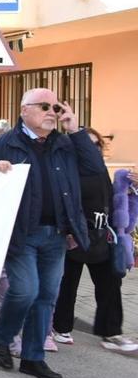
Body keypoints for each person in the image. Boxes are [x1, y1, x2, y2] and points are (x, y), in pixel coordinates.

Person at [0, 89, 106, 378]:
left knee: (46, 296)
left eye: (56, 108)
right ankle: (1, 335)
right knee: (26, 290)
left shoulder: (65, 143)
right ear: (24, 110)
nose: (52, 112)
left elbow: (95, 168)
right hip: (21, 233)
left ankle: (33, 358)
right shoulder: (3, 144)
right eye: (44, 106)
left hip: (57, 233)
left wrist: (75, 129)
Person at [52, 129, 136, 353]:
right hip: (74, 235)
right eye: (88, 144)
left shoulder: (100, 171)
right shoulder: (67, 171)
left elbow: (113, 200)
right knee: (67, 284)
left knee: (110, 284)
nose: (93, 148)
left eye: (97, 144)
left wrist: (131, 189)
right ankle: (60, 327)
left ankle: (111, 332)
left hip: (101, 235)